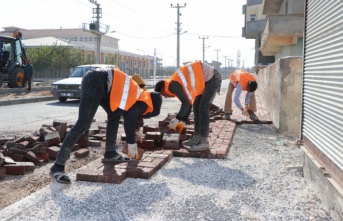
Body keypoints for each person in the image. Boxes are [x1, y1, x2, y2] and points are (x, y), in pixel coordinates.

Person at [50, 67, 162, 184]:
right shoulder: (144, 101)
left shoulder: (139, 96)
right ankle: (58, 166)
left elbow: (132, 115)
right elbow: (130, 117)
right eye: (147, 115)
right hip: (96, 81)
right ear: (151, 109)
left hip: (102, 82)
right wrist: (132, 144)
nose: (144, 115)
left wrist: (136, 129)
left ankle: (110, 152)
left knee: (114, 115)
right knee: (83, 124)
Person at [154, 60, 222, 152]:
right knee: (196, 107)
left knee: (203, 107)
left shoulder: (172, 85)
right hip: (203, 81)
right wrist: (183, 120)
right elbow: (188, 104)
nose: (166, 96)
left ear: (163, 89)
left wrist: (177, 119)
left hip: (212, 78)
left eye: (163, 94)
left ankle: (204, 142)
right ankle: (197, 137)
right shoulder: (175, 83)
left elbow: (185, 103)